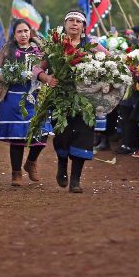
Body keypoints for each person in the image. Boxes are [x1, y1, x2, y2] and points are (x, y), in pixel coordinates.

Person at [33, 10, 106, 193]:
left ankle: (75, 180)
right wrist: (47, 79)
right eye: (71, 20)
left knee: (83, 136)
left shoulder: (92, 45)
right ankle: (62, 166)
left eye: (78, 21)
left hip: (85, 99)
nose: (74, 24)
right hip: (61, 99)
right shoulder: (55, 45)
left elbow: (110, 61)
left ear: (83, 26)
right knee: (63, 136)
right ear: (65, 24)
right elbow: (36, 69)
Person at [0, 20, 51, 186]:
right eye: (19, 31)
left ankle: (31, 162)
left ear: (30, 32)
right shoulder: (7, 49)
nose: (23, 34)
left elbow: (49, 67)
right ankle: (16, 173)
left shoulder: (40, 50)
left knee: (43, 132)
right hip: (13, 97)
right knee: (17, 136)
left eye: (26, 31)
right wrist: (9, 75)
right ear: (14, 34)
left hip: (36, 96)